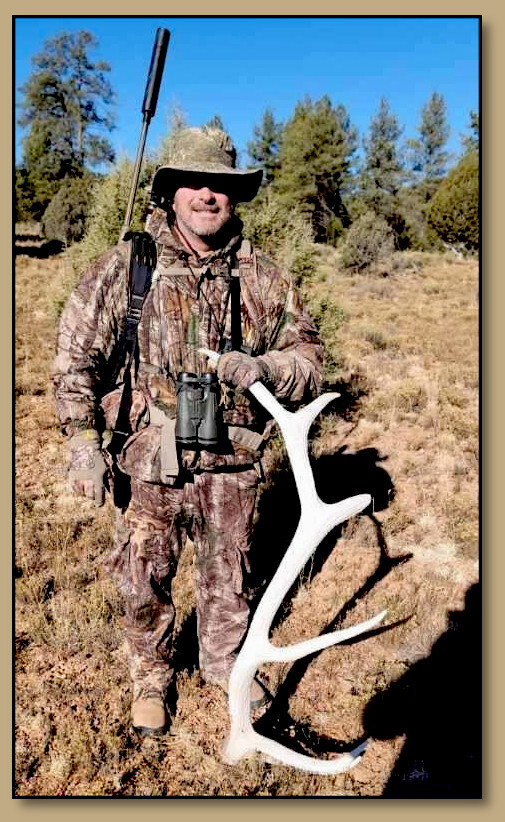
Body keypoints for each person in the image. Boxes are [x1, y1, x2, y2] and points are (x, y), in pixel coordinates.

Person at [52, 127, 323, 737]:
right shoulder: (129, 267)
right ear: (171, 193)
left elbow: (310, 360)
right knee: (142, 575)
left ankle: (225, 665)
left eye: (220, 186)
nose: (207, 195)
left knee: (230, 576)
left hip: (232, 462)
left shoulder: (265, 276)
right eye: (194, 183)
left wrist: (267, 367)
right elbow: (74, 359)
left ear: (235, 197)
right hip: (149, 461)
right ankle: (151, 676)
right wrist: (83, 443)